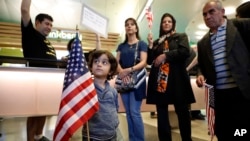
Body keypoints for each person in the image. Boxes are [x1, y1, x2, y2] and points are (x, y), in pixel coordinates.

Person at [196, 0, 250, 140]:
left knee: (242, 131)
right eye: (204, 14)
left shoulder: (241, 26)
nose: (207, 16)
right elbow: (202, 65)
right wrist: (200, 74)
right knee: (223, 132)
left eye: (211, 12)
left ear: (222, 12)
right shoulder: (203, 43)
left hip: (241, 92)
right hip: (218, 96)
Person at [146, 13, 195, 141]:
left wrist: (165, 56)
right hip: (161, 82)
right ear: (161, 25)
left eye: (169, 21)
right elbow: (150, 61)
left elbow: (184, 52)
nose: (166, 23)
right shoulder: (157, 42)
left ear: (173, 24)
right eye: (164, 22)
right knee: (161, 115)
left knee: (183, 113)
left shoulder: (180, 37)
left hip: (177, 81)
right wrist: (150, 46)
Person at [21, 0, 57, 141]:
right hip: (35, 79)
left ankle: (38, 136)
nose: (49, 27)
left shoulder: (47, 42)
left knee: (44, 110)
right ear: (37, 23)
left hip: (48, 82)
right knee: (34, 112)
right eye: (46, 23)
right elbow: (24, 9)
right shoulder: (30, 33)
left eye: (50, 25)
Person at [116, 17, 148, 141]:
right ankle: (132, 138)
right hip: (124, 80)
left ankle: (139, 139)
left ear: (136, 28)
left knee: (134, 112)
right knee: (128, 113)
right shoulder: (121, 46)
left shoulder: (142, 44)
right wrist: (121, 72)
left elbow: (144, 62)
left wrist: (128, 70)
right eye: (127, 25)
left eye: (132, 24)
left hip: (137, 81)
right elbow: (116, 61)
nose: (129, 26)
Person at [82, 50, 119, 141]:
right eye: (96, 61)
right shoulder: (87, 90)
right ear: (91, 67)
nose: (99, 64)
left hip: (111, 135)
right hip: (92, 136)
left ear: (110, 71)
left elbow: (116, 108)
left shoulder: (113, 91)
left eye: (104, 62)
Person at [186, 48, 205, 120]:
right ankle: (191, 113)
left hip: (191, 76)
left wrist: (199, 74)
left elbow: (198, 64)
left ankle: (195, 112)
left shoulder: (191, 52)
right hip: (187, 76)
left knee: (194, 95)